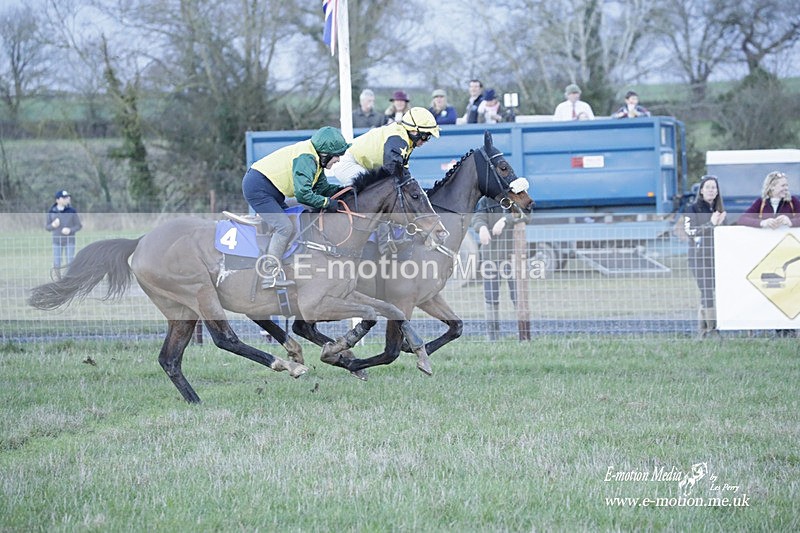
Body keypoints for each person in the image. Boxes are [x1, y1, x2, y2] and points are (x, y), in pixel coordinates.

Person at [242, 126, 350, 287]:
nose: (339, 160)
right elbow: (303, 195)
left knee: (294, 222)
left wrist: (346, 191)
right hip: (258, 188)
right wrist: (328, 203)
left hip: (271, 189)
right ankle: (269, 273)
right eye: (337, 156)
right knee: (285, 227)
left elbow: (322, 189)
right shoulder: (307, 159)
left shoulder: (316, 159)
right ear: (325, 154)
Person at [737, 170, 800, 338]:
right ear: (771, 186)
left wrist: (791, 221)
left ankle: (788, 330)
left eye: (787, 185)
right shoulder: (761, 203)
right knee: (769, 290)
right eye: (782, 185)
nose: (786, 188)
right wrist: (762, 223)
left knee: (788, 290)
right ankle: (770, 327)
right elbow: (742, 219)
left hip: (788, 255)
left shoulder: (793, 202)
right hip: (765, 255)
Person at [331, 107, 441, 185]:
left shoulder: (406, 139)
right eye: (425, 136)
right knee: (372, 190)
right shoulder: (398, 139)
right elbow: (392, 172)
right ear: (413, 130)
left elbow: (404, 173)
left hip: (358, 163)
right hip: (347, 162)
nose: (426, 140)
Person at [471, 196, 529, 340]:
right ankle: (492, 336)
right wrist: (482, 228)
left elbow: (526, 215)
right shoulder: (485, 201)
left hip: (513, 257)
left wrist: (505, 220)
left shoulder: (513, 197)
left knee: (517, 295)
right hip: (490, 257)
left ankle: (523, 335)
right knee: (490, 296)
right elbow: (477, 218)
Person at [682, 176, 727, 338]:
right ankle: (711, 329)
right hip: (698, 257)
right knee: (706, 291)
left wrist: (721, 224)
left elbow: (726, 235)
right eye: (707, 187)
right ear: (701, 190)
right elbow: (690, 231)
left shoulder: (720, 211)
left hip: (717, 257)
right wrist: (711, 224)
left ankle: (703, 330)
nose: (711, 190)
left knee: (715, 291)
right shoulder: (692, 208)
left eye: (714, 187)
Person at [46, 189, 82, 279]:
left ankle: (69, 279)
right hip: (57, 241)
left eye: (68, 197)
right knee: (57, 262)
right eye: (64, 197)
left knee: (70, 261)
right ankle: (57, 280)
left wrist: (70, 230)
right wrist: (53, 225)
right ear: (57, 200)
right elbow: (47, 227)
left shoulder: (72, 211)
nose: (67, 199)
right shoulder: (51, 211)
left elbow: (78, 225)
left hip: (70, 241)